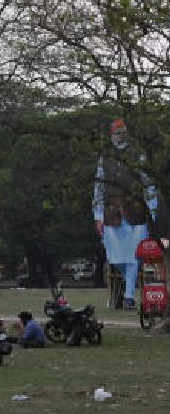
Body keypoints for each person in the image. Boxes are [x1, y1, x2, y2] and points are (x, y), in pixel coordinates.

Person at [93, 118, 157, 310]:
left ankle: (129, 295)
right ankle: (125, 290)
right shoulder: (105, 157)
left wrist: (152, 211)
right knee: (116, 257)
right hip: (112, 213)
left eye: (122, 133)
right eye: (116, 133)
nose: (119, 136)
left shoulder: (138, 155)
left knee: (134, 255)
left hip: (136, 212)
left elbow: (149, 184)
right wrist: (97, 216)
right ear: (112, 135)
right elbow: (99, 187)